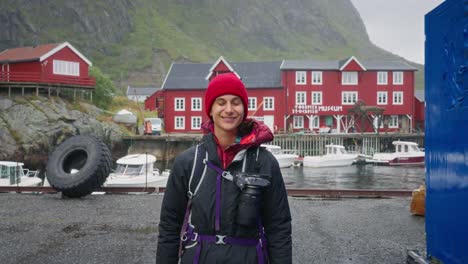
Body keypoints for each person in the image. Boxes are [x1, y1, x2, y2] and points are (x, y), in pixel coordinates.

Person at [156, 73, 292, 264]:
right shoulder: (189, 162)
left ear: (244, 109)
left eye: (236, 102)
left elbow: (279, 227)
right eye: (221, 102)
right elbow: (170, 226)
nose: (229, 109)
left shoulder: (264, 162)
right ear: (210, 109)